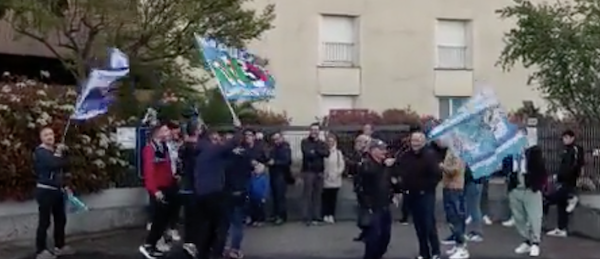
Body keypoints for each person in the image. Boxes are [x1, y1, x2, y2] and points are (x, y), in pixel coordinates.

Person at [193, 121, 243, 259]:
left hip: (202, 193)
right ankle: (216, 253)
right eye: (216, 139)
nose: (219, 141)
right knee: (222, 225)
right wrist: (238, 129)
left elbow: (224, 162)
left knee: (208, 225)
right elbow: (231, 143)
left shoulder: (201, 151)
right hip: (213, 192)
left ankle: (203, 253)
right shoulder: (211, 149)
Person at [397, 131, 442, 259]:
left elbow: (437, 175)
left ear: (424, 142)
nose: (415, 143)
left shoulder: (430, 155)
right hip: (411, 194)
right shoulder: (406, 156)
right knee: (418, 225)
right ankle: (424, 252)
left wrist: (426, 187)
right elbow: (400, 168)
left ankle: (435, 251)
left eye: (418, 141)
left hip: (426, 195)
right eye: (413, 140)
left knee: (428, 224)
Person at [139, 124, 180, 259]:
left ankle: (154, 244)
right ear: (157, 133)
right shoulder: (150, 149)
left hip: (168, 186)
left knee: (164, 219)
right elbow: (149, 172)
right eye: (165, 130)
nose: (168, 132)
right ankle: (148, 245)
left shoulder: (164, 148)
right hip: (159, 189)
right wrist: (154, 190)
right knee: (158, 219)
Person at [34, 127, 74, 259]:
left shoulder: (55, 150)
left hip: (58, 190)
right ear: (41, 138)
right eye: (46, 135)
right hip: (45, 190)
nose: (49, 137)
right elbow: (53, 164)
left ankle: (59, 246)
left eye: (51, 134)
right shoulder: (40, 152)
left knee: (60, 220)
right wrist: (59, 154)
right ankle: (41, 250)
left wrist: (65, 154)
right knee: (44, 221)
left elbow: (66, 164)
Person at [358, 139, 400, 259]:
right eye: (381, 149)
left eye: (384, 149)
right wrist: (367, 205)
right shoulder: (367, 164)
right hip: (372, 206)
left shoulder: (384, 166)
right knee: (373, 238)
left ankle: (378, 255)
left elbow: (388, 183)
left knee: (385, 236)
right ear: (372, 151)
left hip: (384, 205)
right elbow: (367, 179)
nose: (384, 152)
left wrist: (394, 194)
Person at [507, 141, 546, 257]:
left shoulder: (534, 153)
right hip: (515, 189)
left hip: (530, 189)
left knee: (534, 217)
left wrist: (538, 185)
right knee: (519, 218)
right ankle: (527, 240)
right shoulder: (509, 153)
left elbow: (541, 170)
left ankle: (535, 242)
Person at [545, 129, 584, 237]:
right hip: (563, 180)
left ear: (572, 138)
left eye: (567, 138)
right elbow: (563, 166)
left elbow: (576, 165)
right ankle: (562, 228)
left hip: (570, 180)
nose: (564, 140)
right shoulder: (565, 150)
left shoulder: (576, 149)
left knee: (552, 198)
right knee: (560, 204)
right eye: (563, 138)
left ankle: (572, 197)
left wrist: (568, 175)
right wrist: (557, 176)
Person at [438, 143, 469, 259]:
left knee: (456, 217)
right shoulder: (450, 150)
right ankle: (458, 244)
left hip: (455, 188)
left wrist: (442, 167)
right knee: (451, 217)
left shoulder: (458, 151)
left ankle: (462, 247)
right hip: (448, 187)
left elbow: (455, 170)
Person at [177, 121, 202, 257]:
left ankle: (189, 241)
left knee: (190, 216)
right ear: (197, 130)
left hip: (186, 186)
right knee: (195, 216)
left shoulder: (184, 146)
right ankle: (191, 242)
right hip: (194, 186)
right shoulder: (194, 148)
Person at [300, 123, 330, 225]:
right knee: (307, 194)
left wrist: (315, 151)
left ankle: (316, 216)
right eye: (312, 129)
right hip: (308, 171)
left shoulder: (322, 143)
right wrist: (318, 152)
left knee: (318, 195)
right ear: (310, 131)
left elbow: (327, 153)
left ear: (319, 131)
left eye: (316, 130)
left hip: (320, 171)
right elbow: (307, 153)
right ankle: (306, 217)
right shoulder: (305, 142)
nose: (314, 132)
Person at [267, 132, 292, 224]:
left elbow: (287, 161)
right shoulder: (273, 148)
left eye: (277, 139)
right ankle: (276, 214)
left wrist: (275, 162)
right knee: (275, 196)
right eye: (274, 139)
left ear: (282, 138)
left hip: (281, 175)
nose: (276, 141)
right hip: (274, 174)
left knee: (280, 197)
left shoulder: (285, 148)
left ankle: (281, 216)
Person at [322, 133, 346, 224]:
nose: (330, 143)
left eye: (332, 141)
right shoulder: (323, 152)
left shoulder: (338, 153)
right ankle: (325, 215)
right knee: (325, 198)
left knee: (333, 198)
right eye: (329, 141)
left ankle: (331, 215)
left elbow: (342, 165)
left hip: (335, 178)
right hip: (325, 178)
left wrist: (337, 174)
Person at [165, 122, 182, 242]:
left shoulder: (177, 144)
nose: (176, 134)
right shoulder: (163, 145)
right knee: (165, 205)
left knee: (175, 204)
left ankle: (172, 227)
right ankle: (164, 229)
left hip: (175, 177)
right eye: (174, 132)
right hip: (165, 178)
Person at [352, 134, 371, 242]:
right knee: (362, 210)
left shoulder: (368, 156)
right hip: (360, 187)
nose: (356, 145)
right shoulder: (358, 156)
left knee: (366, 211)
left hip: (367, 188)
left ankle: (368, 232)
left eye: (359, 142)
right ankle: (365, 231)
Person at [463, 165, 484, 242]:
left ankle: (478, 233)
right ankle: (476, 232)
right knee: (473, 207)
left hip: (474, 181)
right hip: (474, 181)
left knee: (474, 208)